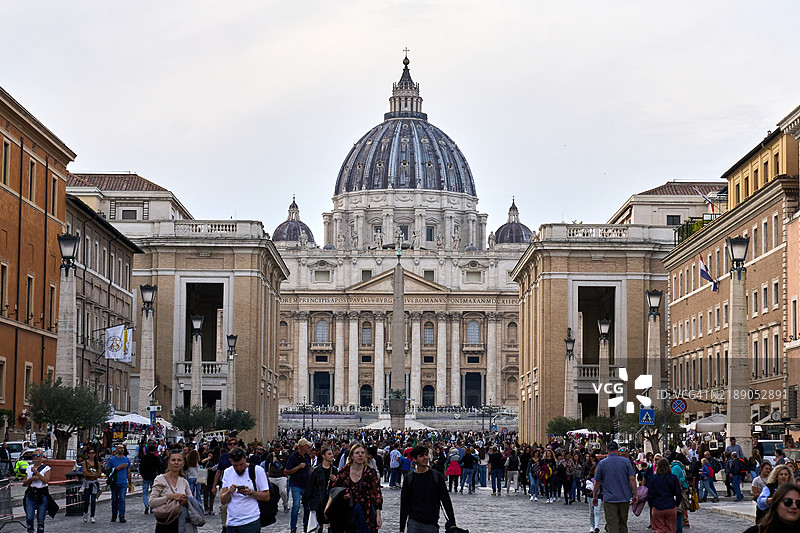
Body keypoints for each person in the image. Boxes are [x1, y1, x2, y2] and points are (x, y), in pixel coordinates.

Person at [400, 445, 456, 533]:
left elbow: (446, 500)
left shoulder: (436, 476)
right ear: (414, 459)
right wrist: (401, 529)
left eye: (426, 455)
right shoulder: (409, 479)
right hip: (414, 522)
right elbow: (404, 504)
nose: (425, 458)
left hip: (431, 523)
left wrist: (453, 522)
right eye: (421, 456)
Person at [331, 442, 382, 533]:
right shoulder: (344, 471)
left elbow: (377, 494)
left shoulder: (370, 472)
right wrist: (342, 496)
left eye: (362, 453)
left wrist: (378, 515)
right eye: (357, 453)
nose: (360, 455)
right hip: (348, 513)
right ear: (351, 456)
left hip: (366, 512)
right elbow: (335, 490)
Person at [220, 447, 271, 533]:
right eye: (235, 465)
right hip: (232, 523)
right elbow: (223, 500)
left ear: (245, 458)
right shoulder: (227, 472)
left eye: (241, 464)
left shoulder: (257, 471)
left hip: (251, 521)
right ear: (230, 461)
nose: (239, 468)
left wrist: (251, 492)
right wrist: (229, 492)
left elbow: (266, 496)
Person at [592, 441, 637, 533]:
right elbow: (632, 479)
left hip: (610, 499)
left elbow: (597, 481)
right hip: (624, 498)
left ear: (607, 450)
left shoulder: (602, 463)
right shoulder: (626, 462)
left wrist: (595, 495)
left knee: (612, 524)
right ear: (617, 450)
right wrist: (635, 494)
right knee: (623, 523)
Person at [149, 449, 193, 533]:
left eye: (179, 460)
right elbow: (152, 502)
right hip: (164, 524)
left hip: (181, 524)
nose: (176, 462)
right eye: (173, 460)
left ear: (183, 463)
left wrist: (185, 501)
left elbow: (191, 502)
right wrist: (170, 497)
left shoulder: (184, 482)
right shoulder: (160, 479)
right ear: (168, 462)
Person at [305, 446, 338, 533]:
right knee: (320, 522)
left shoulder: (334, 470)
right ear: (323, 456)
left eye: (332, 454)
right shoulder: (317, 470)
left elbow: (339, 485)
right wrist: (308, 500)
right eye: (329, 454)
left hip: (331, 499)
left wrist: (336, 479)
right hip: (319, 499)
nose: (331, 456)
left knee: (331, 521)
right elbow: (310, 485)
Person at [646, 458, 682, 533]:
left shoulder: (654, 478)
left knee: (659, 529)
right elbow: (678, 493)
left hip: (658, 505)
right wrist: (676, 504)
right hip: (670, 505)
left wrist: (652, 505)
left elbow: (650, 494)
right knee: (671, 528)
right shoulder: (673, 478)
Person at [286, 438, 312, 533]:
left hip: (306, 484)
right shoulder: (293, 457)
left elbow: (309, 469)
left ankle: (306, 526)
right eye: (307, 446)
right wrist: (298, 467)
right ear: (302, 447)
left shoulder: (307, 457)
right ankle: (293, 527)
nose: (309, 448)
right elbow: (286, 471)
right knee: (296, 505)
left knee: (307, 507)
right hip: (296, 484)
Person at [22, 448, 50, 533]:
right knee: (29, 517)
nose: (35, 457)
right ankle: (30, 530)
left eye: (37, 455)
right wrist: (31, 479)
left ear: (41, 457)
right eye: (34, 456)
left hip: (42, 494)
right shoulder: (29, 467)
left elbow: (46, 480)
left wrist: (37, 473)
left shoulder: (46, 468)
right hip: (31, 494)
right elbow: (24, 482)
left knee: (41, 518)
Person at [106, 443, 133, 523]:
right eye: (120, 448)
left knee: (122, 499)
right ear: (116, 450)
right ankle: (114, 514)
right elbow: (107, 470)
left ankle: (122, 515)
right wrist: (115, 469)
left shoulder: (126, 459)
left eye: (122, 448)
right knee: (114, 499)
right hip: (114, 482)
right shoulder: (112, 460)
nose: (121, 449)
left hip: (123, 482)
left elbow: (128, 472)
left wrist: (130, 483)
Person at [265, 443, 289, 514]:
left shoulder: (285, 455)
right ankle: (274, 506)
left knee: (282, 491)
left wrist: (287, 471)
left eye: (278, 450)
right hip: (272, 476)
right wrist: (267, 472)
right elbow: (266, 463)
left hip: (282, 476)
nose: (277, 452)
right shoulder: (271, 455)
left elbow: (288, 464)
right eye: (275, 450)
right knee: (273, 493)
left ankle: (285, 504)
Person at [140, 444, 162, 514]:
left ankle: (146, 504)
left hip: (145, 477)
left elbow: (141, 467)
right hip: (153, 477)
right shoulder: (156, 458)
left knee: (145, 492)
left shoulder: (144, 458)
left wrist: (142, 474)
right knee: (153, 493)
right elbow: (159, 469)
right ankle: (152, 507)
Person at [81, 448, 102, 523]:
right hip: (87, 483)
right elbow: (85, 473)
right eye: (90, 453)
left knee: (93, 500)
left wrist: (92, 475)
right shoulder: (85, 463)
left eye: (93, 453)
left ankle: (92, 515)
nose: (91, 454)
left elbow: (99, 474)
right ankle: (85, 513)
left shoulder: (98, 464)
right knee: (86, 500)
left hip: (94, 483)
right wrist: (93, 475)